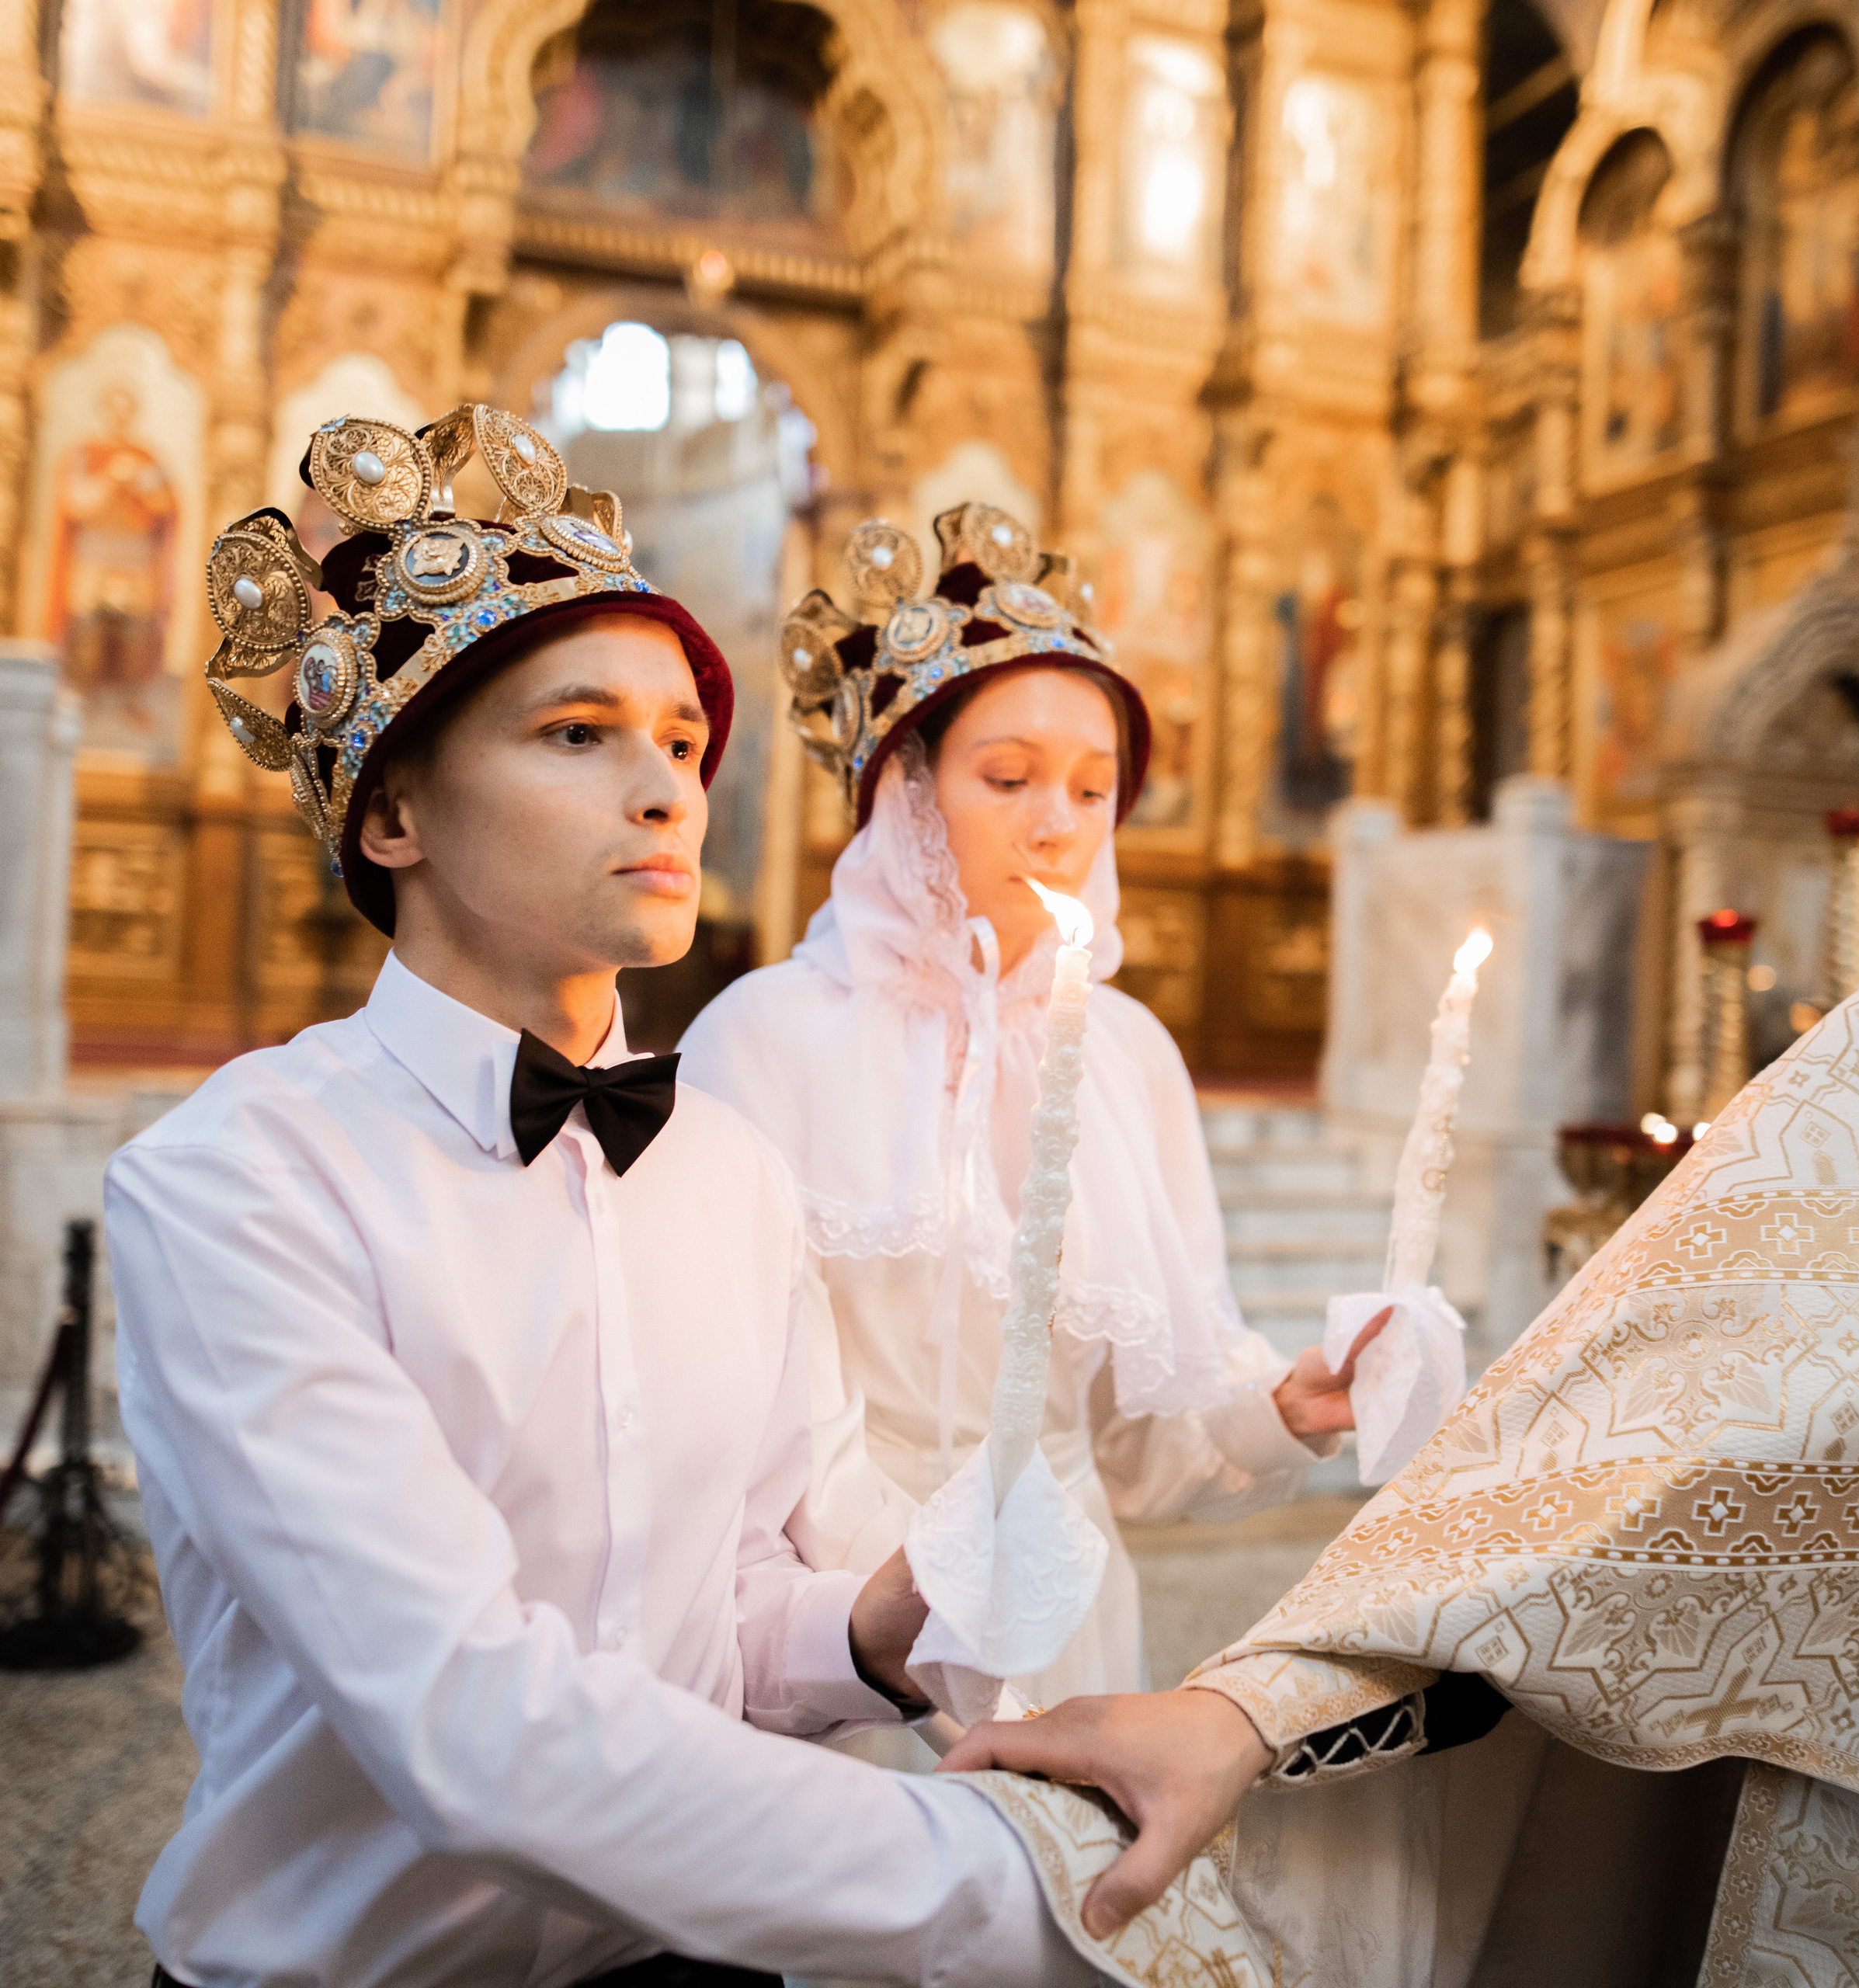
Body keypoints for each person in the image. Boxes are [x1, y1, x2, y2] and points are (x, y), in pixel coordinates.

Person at [110, 408, 1120, 1988]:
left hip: (683, 1956)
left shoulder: (723, 1165)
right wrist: (1009, 1882)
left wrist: (875, 1618)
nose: (664, 787)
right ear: (394, 814)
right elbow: (466, 1718)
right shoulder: (241, 1182)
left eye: (677, 739)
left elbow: (721, 1608)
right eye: (576, 732)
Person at [945, 901, 1859, 1982]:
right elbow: (1659, 1446)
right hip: (874, 1607)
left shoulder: (1127, 1060)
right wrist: (1252, 1709)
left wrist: (1268, 1417)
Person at [676, 503, 1384, 1712]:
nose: (1056, 824)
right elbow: (759, 1413)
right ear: (905, 790)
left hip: (1069, 1612)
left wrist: (1279, 1408)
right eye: (1007, 777)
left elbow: (1144, 1440)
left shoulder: (1128, 1057)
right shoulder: (763, 1037)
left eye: (1093, 789)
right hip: (838, 1618)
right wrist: (910, 1607)